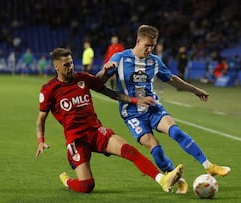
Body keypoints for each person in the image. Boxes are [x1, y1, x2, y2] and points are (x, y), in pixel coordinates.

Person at [96, 25, 231, 194]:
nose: (149, 49)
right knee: (154, 146)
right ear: (138, 41)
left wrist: (195, 90)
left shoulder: (154, 60)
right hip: (131, 114)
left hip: (153, 108)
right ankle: (177, 180)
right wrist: (105, 71)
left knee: (175, 131)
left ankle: (208, 166)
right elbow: (97, 82)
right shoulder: (120, 58)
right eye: (147, 45)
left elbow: (173, 79)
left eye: (153, 45)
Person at [35, 48, 183, 194]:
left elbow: (111, 93)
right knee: (87, 186)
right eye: (66, 65)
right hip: (76, 139)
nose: (71, 67)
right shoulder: (49, 89)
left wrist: (135, 100)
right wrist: (41, 140)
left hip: (95, 131)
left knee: (129, 150)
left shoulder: (83, 78)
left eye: (72, 63)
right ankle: (67, 181)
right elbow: (41, 120)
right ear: (57, 67)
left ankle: (162, 180)